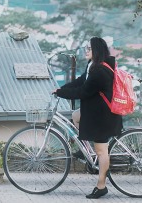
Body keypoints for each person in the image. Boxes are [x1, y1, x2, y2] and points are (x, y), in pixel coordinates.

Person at [52, 36, 122, 199]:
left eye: (88, 49)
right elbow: (80, 81)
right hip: (96, 111)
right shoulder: (93, 66)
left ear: (96, 50)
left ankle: (101, 186)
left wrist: (62, 93)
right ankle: (86, 151)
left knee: (102, 151)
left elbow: (83, 92)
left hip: (103, 116)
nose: (86, 51)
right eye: (85, 48)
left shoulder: (99, 70)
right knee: (76, 116)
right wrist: (60, 88)